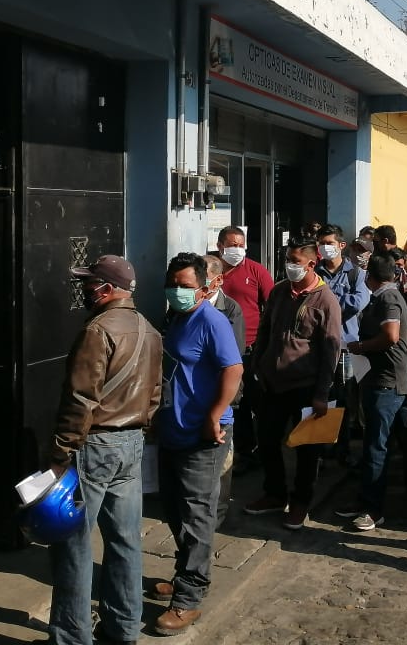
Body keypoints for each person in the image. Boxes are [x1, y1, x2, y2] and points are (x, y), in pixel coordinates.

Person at [48, 255, 163, 645]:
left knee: (73, 543)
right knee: (126, 540)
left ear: (107, 289)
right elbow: (155, 394)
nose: (84, 290)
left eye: (89, 284)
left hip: (94, 444)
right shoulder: (148, 328)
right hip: (131, 442)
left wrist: (60, 455)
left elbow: (80, 399)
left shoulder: (98, 330)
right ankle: (123, 630)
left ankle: (71, 637)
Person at [151, 254, 243, 635]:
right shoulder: (176, 318)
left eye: (186, 285)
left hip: (204, 437)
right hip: (172, 430)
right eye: (173, 283)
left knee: (196, 515)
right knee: (173, 510)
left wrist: (214, 415)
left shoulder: (212, 321)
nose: (178, 290)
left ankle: (189, 596)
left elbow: (233, 369)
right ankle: (184, 573)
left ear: (205, 289)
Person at [244, 237, 343, 529]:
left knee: (307, 451)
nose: (289, 266)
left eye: (295, 262)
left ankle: (301, 502)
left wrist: (322, 393)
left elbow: (331, 350)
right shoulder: (278, 292)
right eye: (287, 260)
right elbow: (265, 330)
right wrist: (258, 365)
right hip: (272, 384)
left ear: (311, 264)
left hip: (306, 387)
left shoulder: (326, 301)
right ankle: (274, 494)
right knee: (268, 442)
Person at [336, 254, 407, 532]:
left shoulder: (388, 299)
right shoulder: (384, 297)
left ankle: (372, 509)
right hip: (376, 379)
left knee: (377, 446)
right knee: (371, 445)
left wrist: (360, 347)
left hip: (386, 383)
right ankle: (364, 500)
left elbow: (391, 335)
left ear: (371, 277)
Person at [215, 226, 273, 466]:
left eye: (241, 245)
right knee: (232, 402)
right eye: (232, 245)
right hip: (219, 350)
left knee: (255, 400)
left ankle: (264, 449)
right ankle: (242, 451)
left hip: (250, 349)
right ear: (220, 246)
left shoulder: (256, 271)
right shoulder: (211, 270)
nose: (237, 250)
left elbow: (272, 305)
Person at [314, 224, 370, 464]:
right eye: (322, 243)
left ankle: (343, 448)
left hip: (346, 345)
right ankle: (323, 446)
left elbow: (359, 302)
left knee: (345, 397)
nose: (325, 248)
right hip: (318, 344)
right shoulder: (315, 272)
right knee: (323, 396)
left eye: (329, 243)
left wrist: (327, 302)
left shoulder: (356, 273)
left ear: (341, 245)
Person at [200, 254, 245, 527]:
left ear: (217, 280)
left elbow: (234, 358)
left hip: (222, 392)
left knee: (222, 456)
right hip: (194, 393)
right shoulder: (185, 306)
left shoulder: (230, 309)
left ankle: (217, 512)